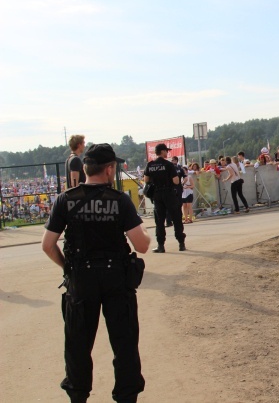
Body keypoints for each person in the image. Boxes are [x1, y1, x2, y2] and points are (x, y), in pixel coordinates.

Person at [41, 143, 151, 403]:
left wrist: (67, 268)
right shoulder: (120, 200)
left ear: (87, 168)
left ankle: (78, 397)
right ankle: (126, 397)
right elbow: (143, 245)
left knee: (77, 345)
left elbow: (47, 245)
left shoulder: (65, 199)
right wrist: (143, 228)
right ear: (109, 169)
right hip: (116, 279)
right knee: (124, 344)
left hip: (81, 280)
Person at [144, 143, 186, 253]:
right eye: (166, 151)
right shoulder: (168, 165)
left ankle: (161, 246)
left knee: (159, 221)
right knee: (176, 218)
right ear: (162, 151)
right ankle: (181, 243)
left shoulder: (150, 165)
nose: (167, 153)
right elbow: (176, 181)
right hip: (169, 194)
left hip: (157, 195)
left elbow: (146, 180)